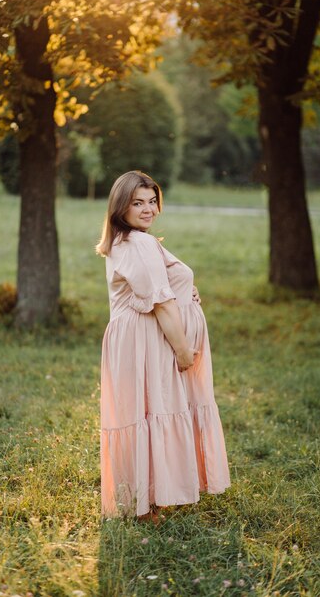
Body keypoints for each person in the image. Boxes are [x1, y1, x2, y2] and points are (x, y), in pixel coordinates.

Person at [96, 170, 230, 519]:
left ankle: (148, 498)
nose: (147, 209)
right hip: (148, 339)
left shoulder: (130, 241)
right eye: (137, 202)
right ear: (120, 207)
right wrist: (184, 350)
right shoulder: (138, 243)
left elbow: (163, 288)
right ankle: (144, 505)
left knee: (148, 411)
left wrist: (186, 291)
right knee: (152, 411)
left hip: (142, 337)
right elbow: (160, 303)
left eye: (152, 201)